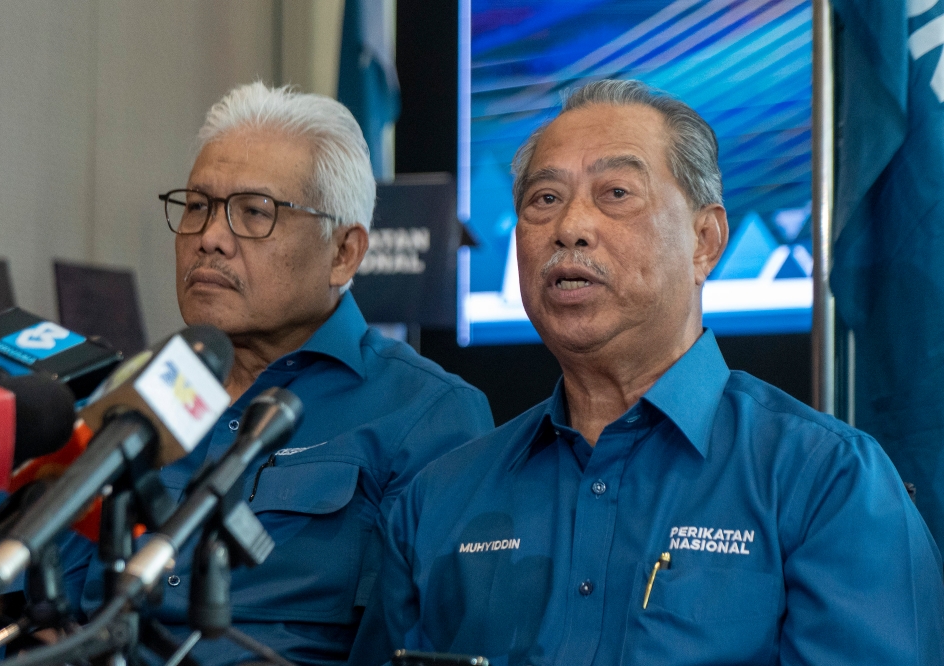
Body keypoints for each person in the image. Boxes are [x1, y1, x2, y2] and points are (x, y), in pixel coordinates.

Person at [348, 79, 944, 665]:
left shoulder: (826, 482)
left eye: (616, 193)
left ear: (705, 242)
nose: (570, 227)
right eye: (544, 199)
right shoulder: (438, 500)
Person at [59, 82, 494, 666]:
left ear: (343, 252)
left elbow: (410, 644)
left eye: (254, 213)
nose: (210, 239)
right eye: (197, 207)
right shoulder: (129, 397)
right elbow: (47, 613)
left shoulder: (426, 415)